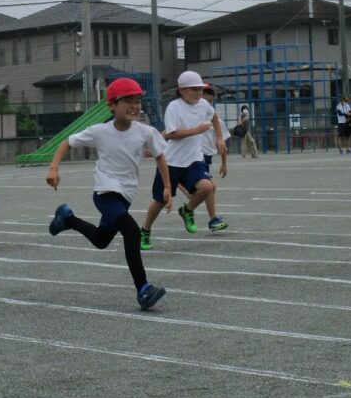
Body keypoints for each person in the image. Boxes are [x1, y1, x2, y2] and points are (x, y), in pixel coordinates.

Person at [46, 77, 169, 310]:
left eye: (138, 101)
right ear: (112, 105)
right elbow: (66, 143)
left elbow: (160, 157)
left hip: (125, 197)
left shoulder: (146, 132)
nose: (134, 106)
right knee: (132, 231)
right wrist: (54, 167)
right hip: (105, 193)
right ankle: (143, 289)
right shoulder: (100, 131)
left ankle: (67, 219)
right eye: (128, 101)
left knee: (101, 240)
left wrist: (167, 187)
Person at [140, 70, 225, 251]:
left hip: (194, 160)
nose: (199, 93)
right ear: (182, 90)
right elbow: (172, 134)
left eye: (200, 89)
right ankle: (145, 230)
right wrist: (198, 130)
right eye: (194, 89)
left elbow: (214, 117)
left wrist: (219, 138)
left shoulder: (203, 104)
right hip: (171, 162)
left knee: (207, 187)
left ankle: (187, 210)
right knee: (161, 200)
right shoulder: (174, 107)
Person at [197, 83, 229, 231]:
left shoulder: (217, 121)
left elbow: (222, 145)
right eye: (205, 100)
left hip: (206, 159)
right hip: (194, 158)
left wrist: (224, 164)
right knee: (210, 187)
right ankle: (213, 219)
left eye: (210, 101)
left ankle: (210, 218)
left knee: (207, 189)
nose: (208, 104)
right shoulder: (191, 118)